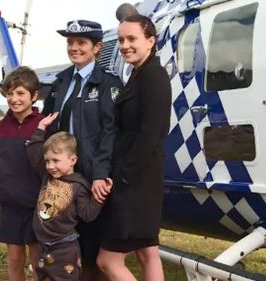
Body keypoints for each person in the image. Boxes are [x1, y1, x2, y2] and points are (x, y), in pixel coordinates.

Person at [42, 19, 123, 281]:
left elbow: (111, 133)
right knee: (63, 241)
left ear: (97, 47)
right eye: (70, 42)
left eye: (81, 43)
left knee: (91, 246)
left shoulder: (108, 84)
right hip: (63, 177)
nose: (74, 48)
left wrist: (100, 174)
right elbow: (50, 126)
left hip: (91, 177)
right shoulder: (61, 82)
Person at [96, 14, 172, 281]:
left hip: (134, 182)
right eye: (120, 40)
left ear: (150, 41)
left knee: (107, 261)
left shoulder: (154, 76)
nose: (125, 45)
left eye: (132, 39)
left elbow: (151, 133)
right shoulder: (139, 75)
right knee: (146, 252)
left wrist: (122, 176)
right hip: (141, 178)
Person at [26, 112, 112, 281]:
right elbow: (33, 152)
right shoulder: (47, 176)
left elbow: (87, 214)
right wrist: (41, 128)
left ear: (72, 160)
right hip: (43, 246)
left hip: (64, 249)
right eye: (47, 161)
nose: (50, 166)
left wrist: (99, 197)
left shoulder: (79, 186)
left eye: (56, 160)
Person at [0, 66, 45, 281]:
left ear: (34, 96)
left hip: (37, 206)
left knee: (38, 262)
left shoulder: (44, 126)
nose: (14, 99)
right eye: (10, 93)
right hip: (10, 205)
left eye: (20, 93)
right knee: (14, 260)